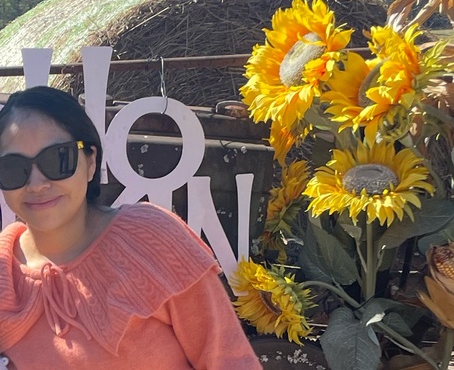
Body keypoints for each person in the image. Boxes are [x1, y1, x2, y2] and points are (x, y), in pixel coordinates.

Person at [0, 86, 262, 369]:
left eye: (57, 159)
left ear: (91, 162)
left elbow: (231, 361)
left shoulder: (151, 240)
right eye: (13, 167)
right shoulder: (5, 273)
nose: (36, 184)